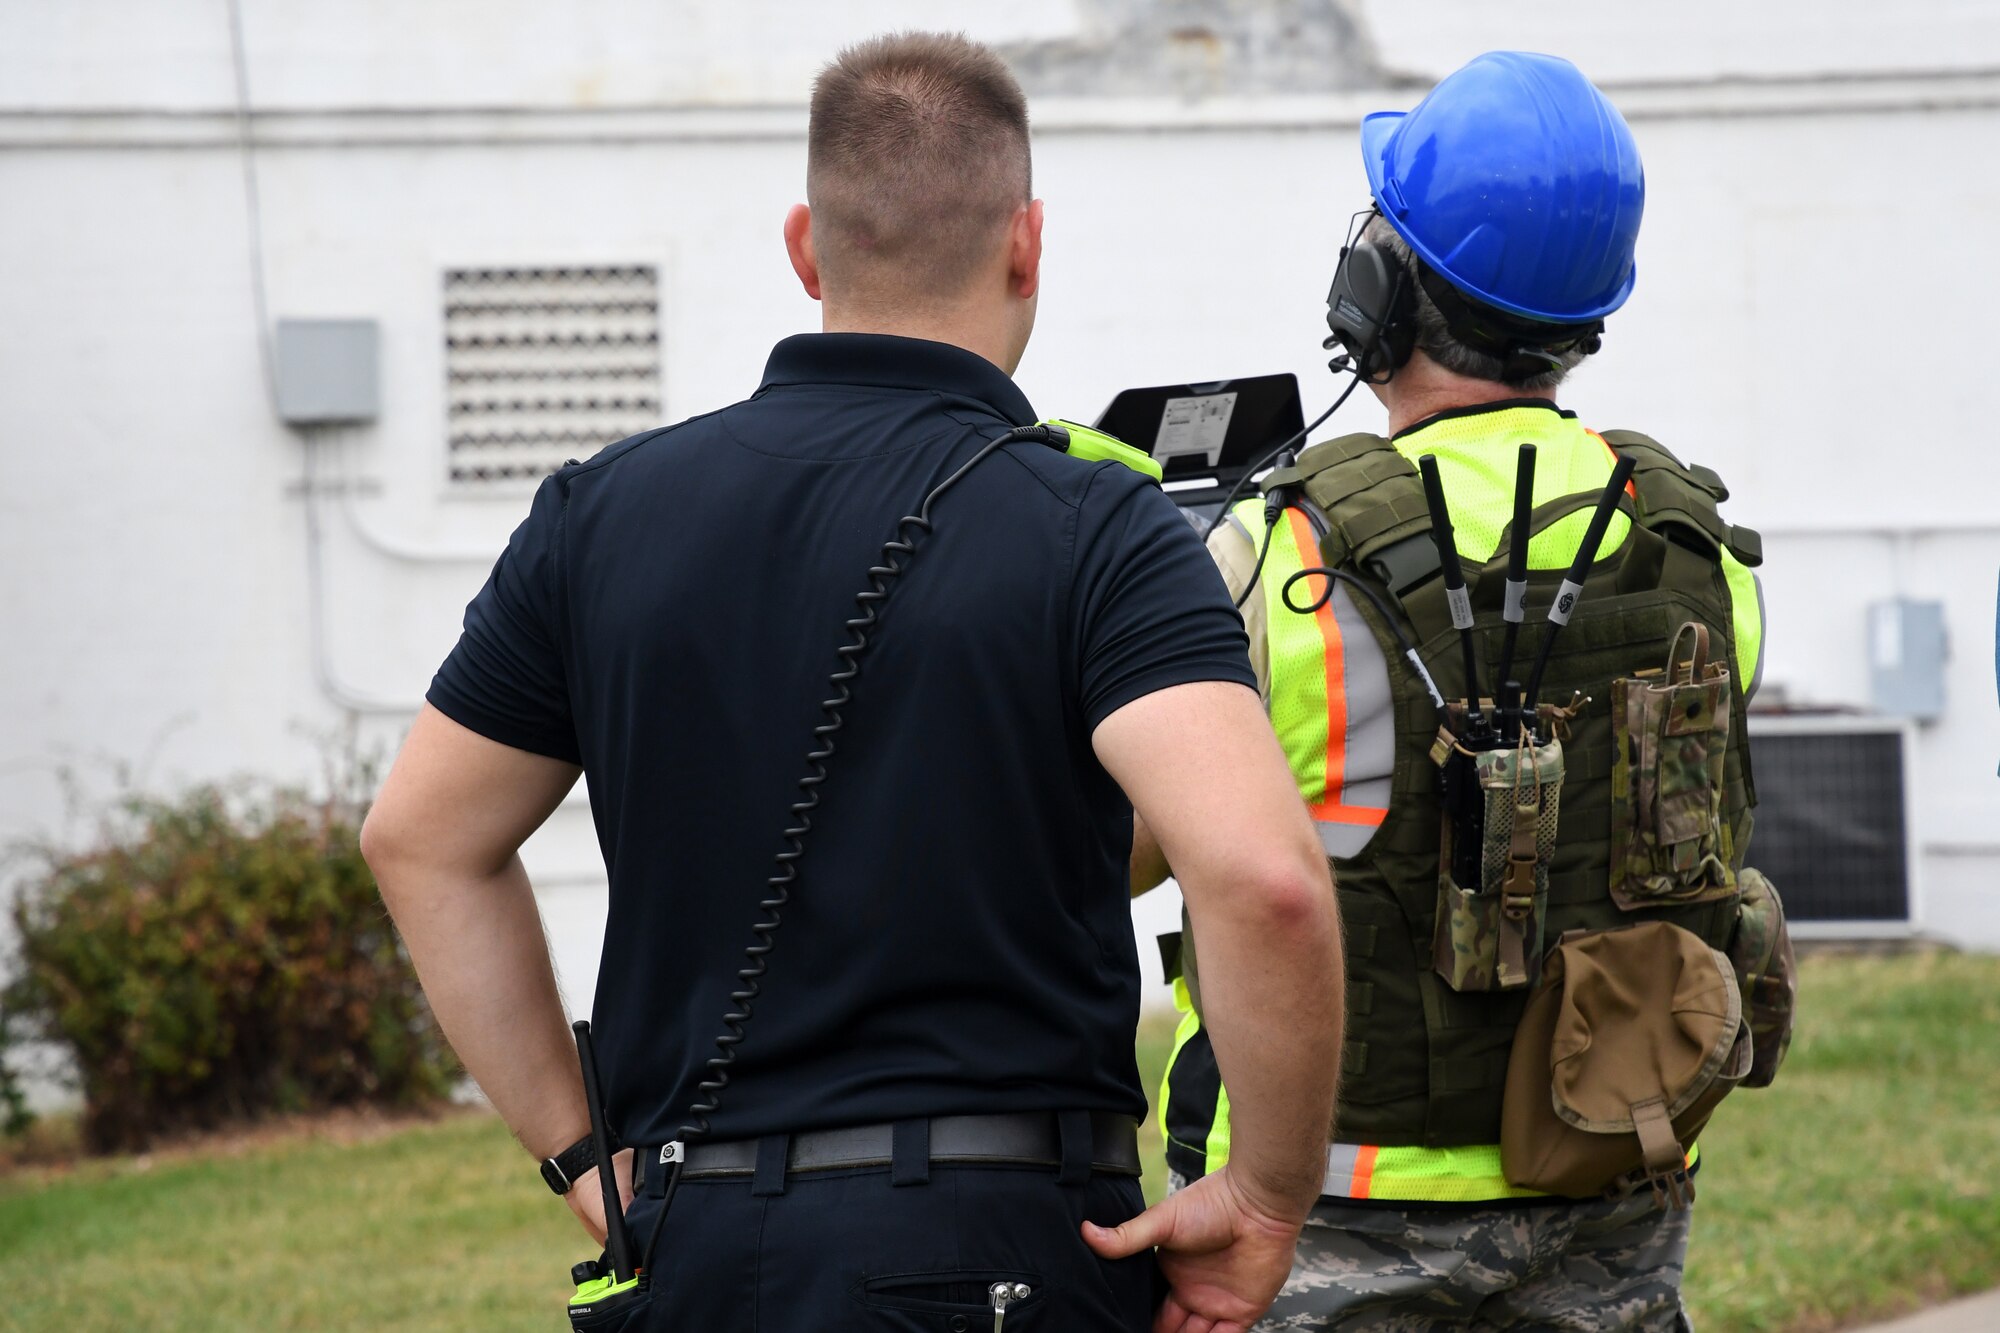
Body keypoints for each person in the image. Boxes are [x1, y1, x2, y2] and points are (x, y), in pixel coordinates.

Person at [362, 31, 1343, 1333]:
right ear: (1026, 242)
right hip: (999, 1253)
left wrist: (581, 1159)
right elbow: (1266, 882)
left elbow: (420, 836)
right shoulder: (1099, 525)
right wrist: (1267, 1198)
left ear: (805, 247)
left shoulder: (596, 515)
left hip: (690, 1254)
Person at [1133, 52, 1769, 1330]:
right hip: (1613, 1175)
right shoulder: (1697, 547)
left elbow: (1133, 853)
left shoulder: (1272, 556)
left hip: (1321, 1203)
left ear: (1378, 291)